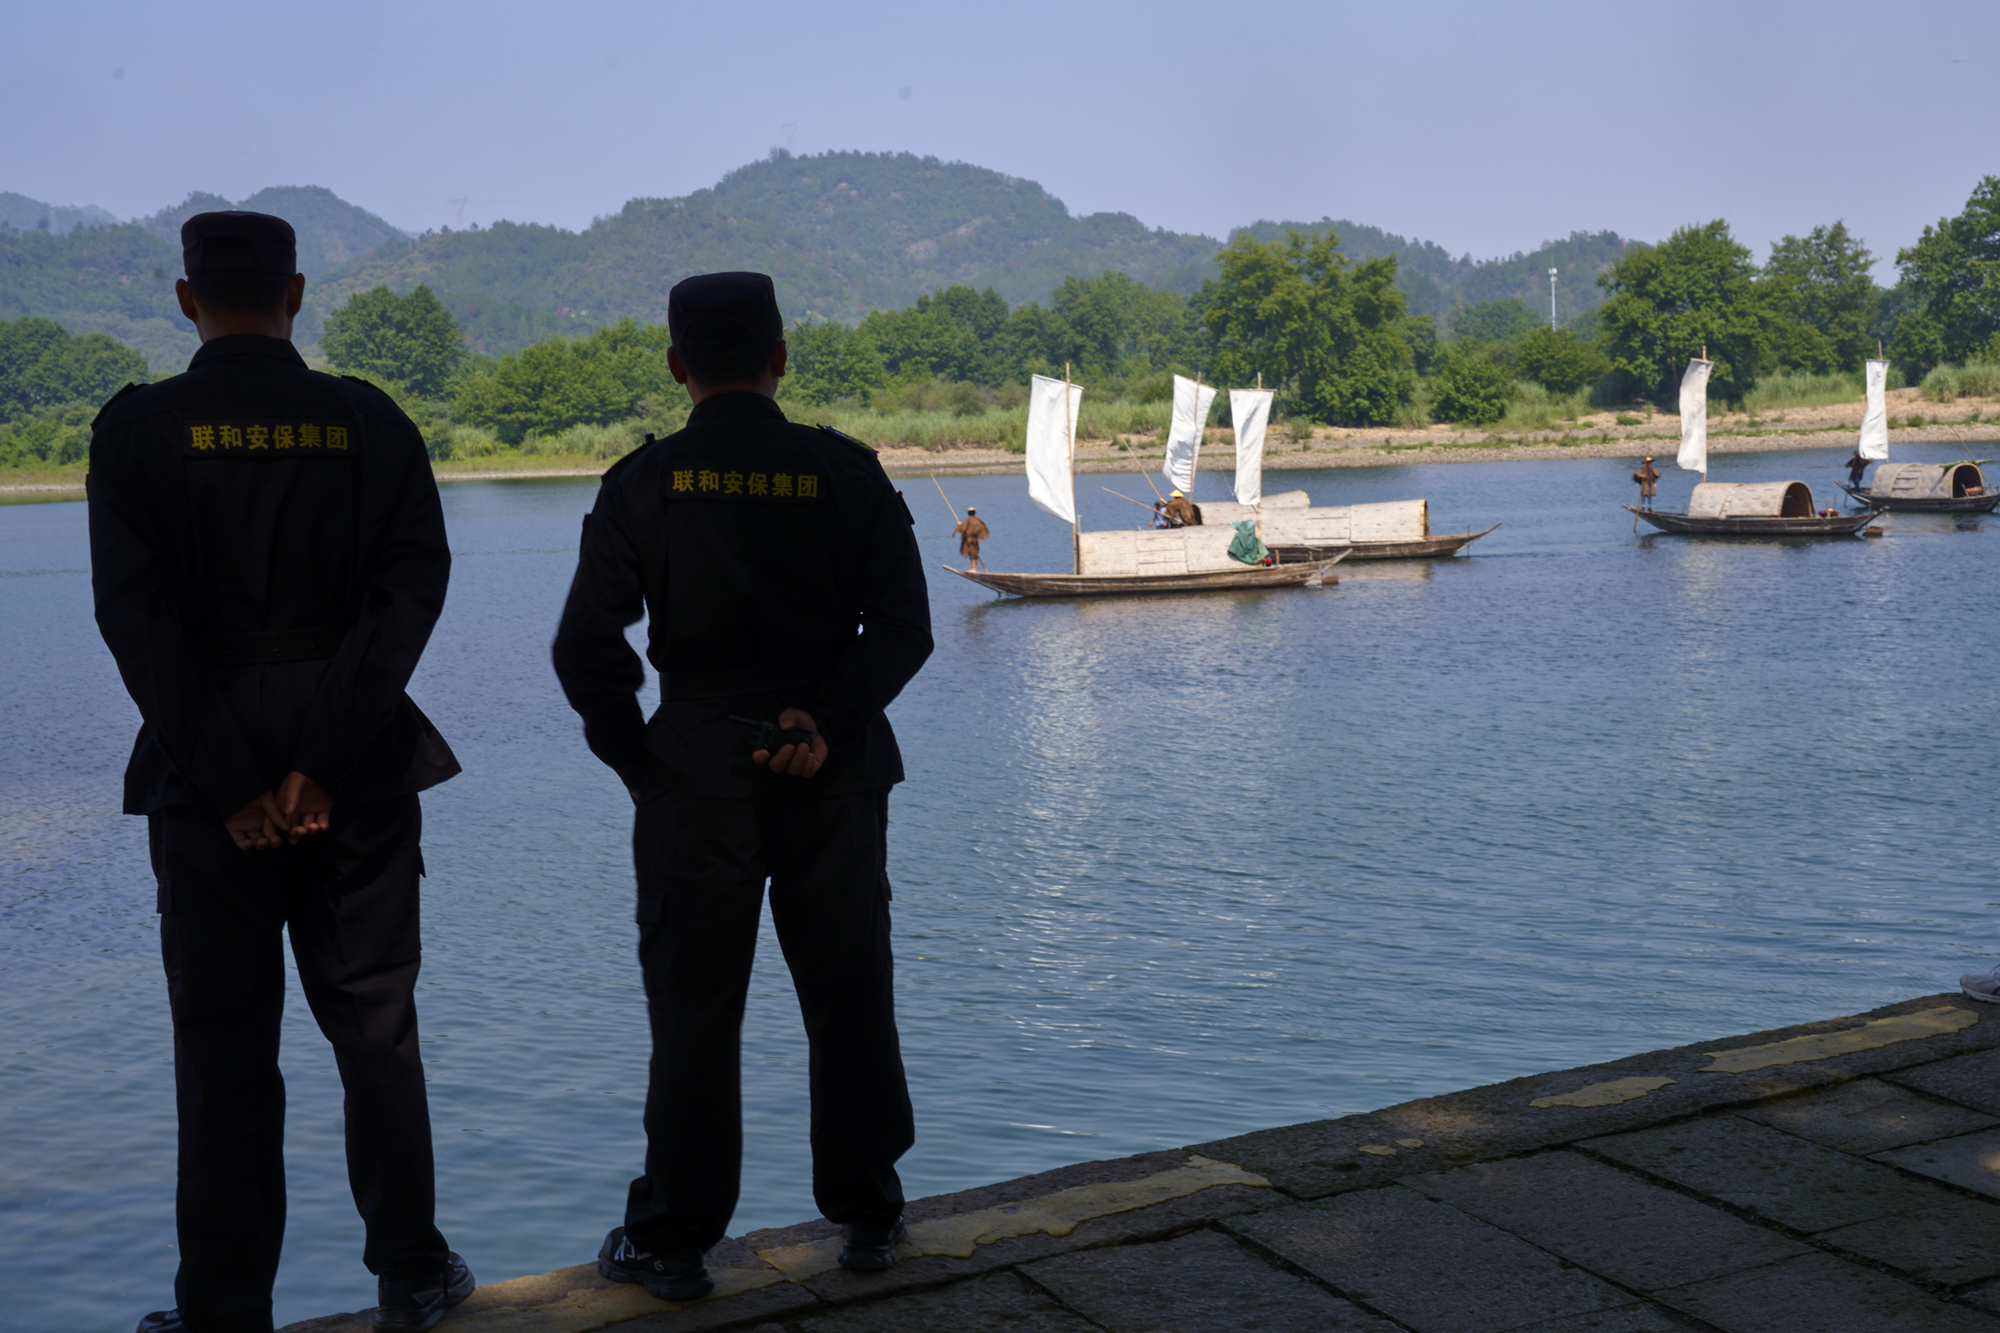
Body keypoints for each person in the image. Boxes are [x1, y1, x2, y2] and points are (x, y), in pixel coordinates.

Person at [89, 212, 472, 1333]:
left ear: (186, 298)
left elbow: (136, 619)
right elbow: (409, 596)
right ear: (296, 294)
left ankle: (221, 1311)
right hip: (355, 778)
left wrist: (228, 779)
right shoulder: (370, 422)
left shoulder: (139, 431)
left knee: (220, 1051)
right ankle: (410, 1271)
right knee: (375, 1031)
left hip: (207, 798)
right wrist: (320, 763)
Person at [551, 272, 934, 1300]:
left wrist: (644, 763)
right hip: (836, 771)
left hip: (696, 772)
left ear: (678, 366)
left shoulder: (642, 481)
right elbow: (904, 626)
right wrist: (827, 714)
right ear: (780, 357)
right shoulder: (844, 471)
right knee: (849, 993)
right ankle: (865, 1216)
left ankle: (673, 1240)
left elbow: (587, 647)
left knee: (694, 1007)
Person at [953, 506, 990, 570]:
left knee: (972, 555)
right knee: (974, 554)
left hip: (970, 541)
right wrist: (961, 525)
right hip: (975, 540)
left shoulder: (967, 521)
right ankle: (974, 568)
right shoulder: (978, 521)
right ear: (974, 513)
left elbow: (963, 529)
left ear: (968, 513)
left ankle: (974, 568)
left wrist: (959, 525)